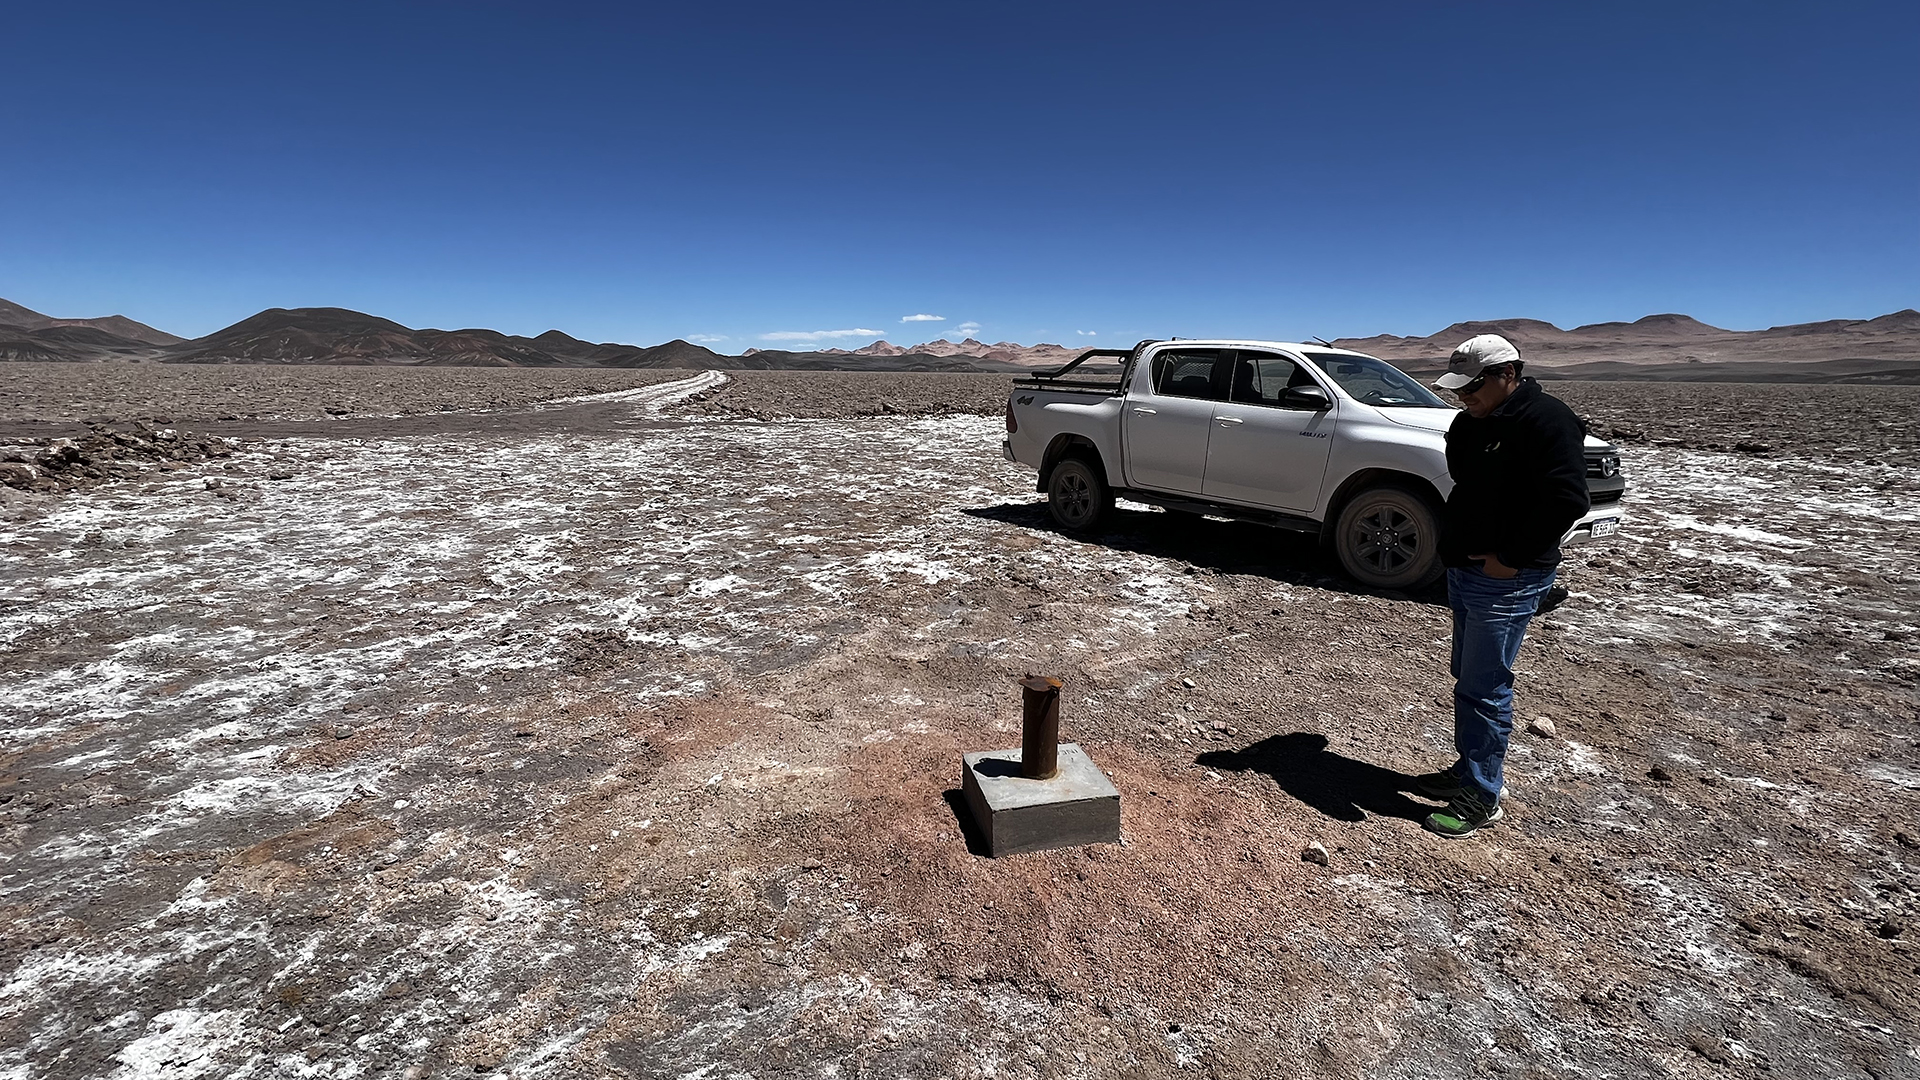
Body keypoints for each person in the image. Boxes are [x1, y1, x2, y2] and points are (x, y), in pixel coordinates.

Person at [1413, 334, 1590, 838]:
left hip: (1506, 578)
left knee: (1485, 687)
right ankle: (1469, 770)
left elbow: (1567, 500)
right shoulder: (1472, 421)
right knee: (1468, 676)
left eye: (1472, 386)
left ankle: (1483, 795)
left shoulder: (1547, 421)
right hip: (1467, 569)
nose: (1462, 396)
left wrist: (1510, 558)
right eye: (1458, 388)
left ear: (1507, 374)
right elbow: (1465, 476)